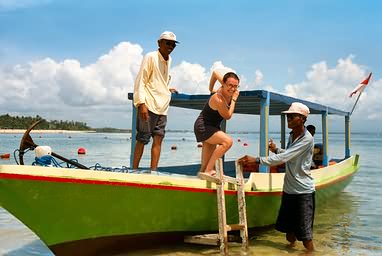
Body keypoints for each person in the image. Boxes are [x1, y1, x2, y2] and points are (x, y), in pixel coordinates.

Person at [238, 102, 315, 251]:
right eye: (288, 116)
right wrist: (276, 149)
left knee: (306, 237)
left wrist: (257, 159)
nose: (289, 119)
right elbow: (288, 154)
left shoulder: (307, 139)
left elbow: (285, 157)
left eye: (292, 116)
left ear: (302, 119)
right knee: (289, 235)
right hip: (289, 190)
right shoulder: (292, 135)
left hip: (303, 193)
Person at [133, 31, 179, 171]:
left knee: (158, 140)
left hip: (163, 107)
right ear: (159, 43)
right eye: (167, 43)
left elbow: (160, 79)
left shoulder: (169, 60)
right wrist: (141, 104)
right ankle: (133, 171)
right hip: (149, 104)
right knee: (142, 140)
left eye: (173, 44)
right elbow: (141, 80)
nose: (170, 46)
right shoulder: (150, 56)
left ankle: (153, 172)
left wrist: (167, 88)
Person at [194, 71, 240, 176]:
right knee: (228, 142)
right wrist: (234, 100)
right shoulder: (218, 99)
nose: (232, 89)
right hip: (204, 126)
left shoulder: (227, 85)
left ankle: (203, 179)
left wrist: (210, 89)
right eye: (230, 85)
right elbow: (227, 116)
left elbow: (215, 73)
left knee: (204, 165)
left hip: (213, 127)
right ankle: (209, 170)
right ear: (223, 84)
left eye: (235, 86)